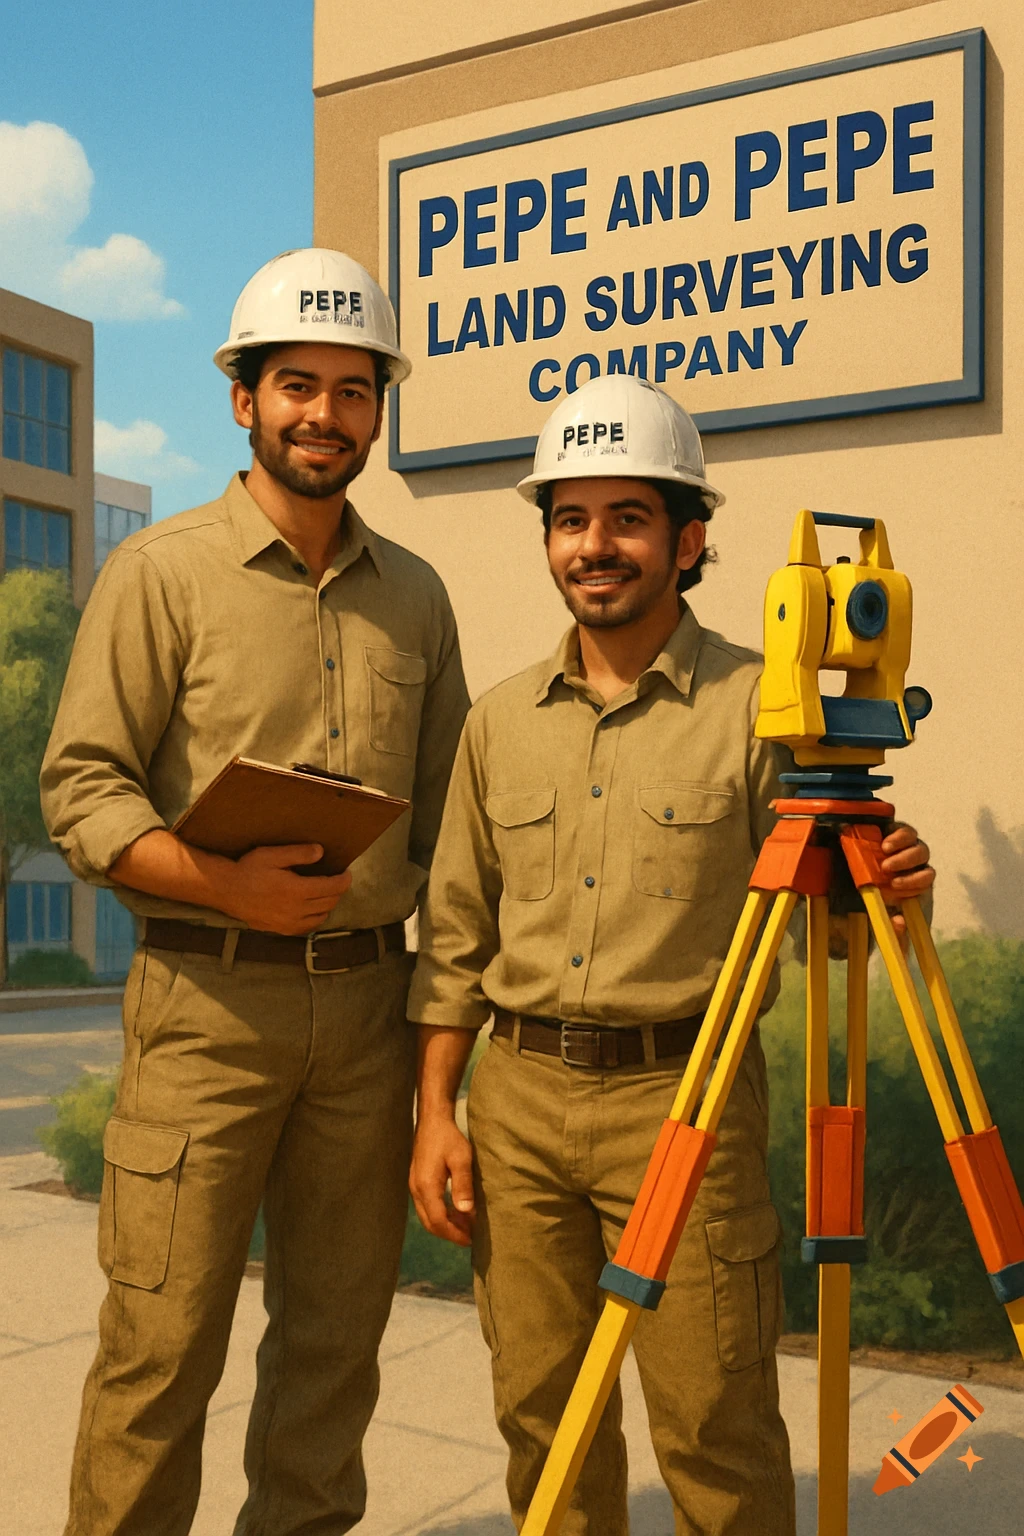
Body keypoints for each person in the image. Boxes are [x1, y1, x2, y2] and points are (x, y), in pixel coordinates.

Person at [406, 374, 934, 1536]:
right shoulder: (497, 722)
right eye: (570, 518)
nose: (595, 546)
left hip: (683, 1103)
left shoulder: (764, 707)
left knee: (714, 1424)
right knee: (543, 1417)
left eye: (627, 518)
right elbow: (454, 939)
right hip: (519, 1104)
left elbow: (826, 928)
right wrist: (437, 1109)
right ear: (548, 537)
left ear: (688, 538)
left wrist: (885, 887)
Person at [41, 248, 470, 1536]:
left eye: (351, 389)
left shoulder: (419, 599)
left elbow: (453, 830)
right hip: (202, 1017)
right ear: (243, 397)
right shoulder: (160, 575)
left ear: (377, 409)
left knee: (334, 1353)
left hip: (366, 1021)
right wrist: (220, 881)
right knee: (159, 1354)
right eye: (296, 383)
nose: (322, 414)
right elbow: (83, 788)